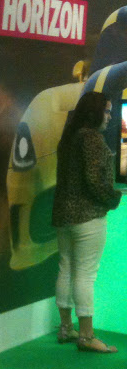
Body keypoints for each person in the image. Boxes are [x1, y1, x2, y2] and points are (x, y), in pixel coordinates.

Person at [51, 91, 121, 353]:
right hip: (87, 216)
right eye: (107, 111)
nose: (110, 116)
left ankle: (65, 328)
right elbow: (95, 180)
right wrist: (114, 197)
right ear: (94, 113)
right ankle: (87, 336)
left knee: (66, 268)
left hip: (64, 216)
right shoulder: (91, 138)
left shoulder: (69, 137)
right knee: (85, 275)